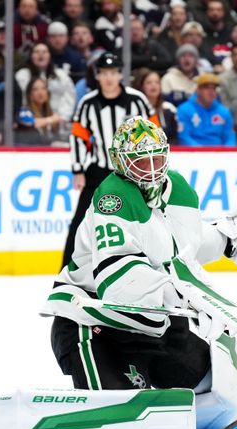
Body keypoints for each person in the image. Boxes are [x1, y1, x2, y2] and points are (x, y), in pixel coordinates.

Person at [41, 115, 237, 427]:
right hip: (92, 320)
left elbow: (185, 249)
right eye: (141, 162)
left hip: (149, 320)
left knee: (207, 383)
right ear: (120, 162)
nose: (152, 169)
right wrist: (182, 294)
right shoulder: (112, 198)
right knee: (120, 415)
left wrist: (236, 229)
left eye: (157, 159)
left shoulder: (177, 189)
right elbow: (116, 278)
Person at [61, 52, 157, 269]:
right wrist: (78, 170)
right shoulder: (88, 103)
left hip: (132, 173)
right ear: (98, 76)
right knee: (81, 223)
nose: (109, 78)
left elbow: (153, 131)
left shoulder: (137, 100)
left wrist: (148, 166)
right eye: (104, 73)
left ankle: (153, 265)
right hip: (98, 172)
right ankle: (67, 272)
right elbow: (78, 136)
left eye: (113, 73)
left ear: (120, 74)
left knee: (147, 219)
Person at [15, 42, 76, 121]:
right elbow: (21, 100)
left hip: (59, 120)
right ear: (31, 56)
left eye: (44, 52)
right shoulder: (22, 75)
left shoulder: (61, 75)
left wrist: (62, 117)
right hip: (31, 120)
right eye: (36, 52)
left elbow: (70, 98)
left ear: (50, 55)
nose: (41, 55)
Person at [176, 72, 237, 146]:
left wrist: (225, 153)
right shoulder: (184, 110)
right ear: (198, 90)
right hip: (193, 154)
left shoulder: (224, 112)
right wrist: (203, 153)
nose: (211, 92)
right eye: (206, 88)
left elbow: (230, 138)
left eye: (213, 88)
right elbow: (184, 137)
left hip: (219, 154)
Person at [133, 67, 178, 144]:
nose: (153, 85)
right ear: (141, 86)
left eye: (157, 82)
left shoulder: (169, 108)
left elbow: (174, 137)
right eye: (149, 82)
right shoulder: (134, 109)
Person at [160, 43, 200, 107]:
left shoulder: (201, 80)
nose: (187, 59)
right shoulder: (168, 78)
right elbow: (164, 104)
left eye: (190, 56)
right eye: (183, 56)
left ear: (196, 61)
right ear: (178, 60)